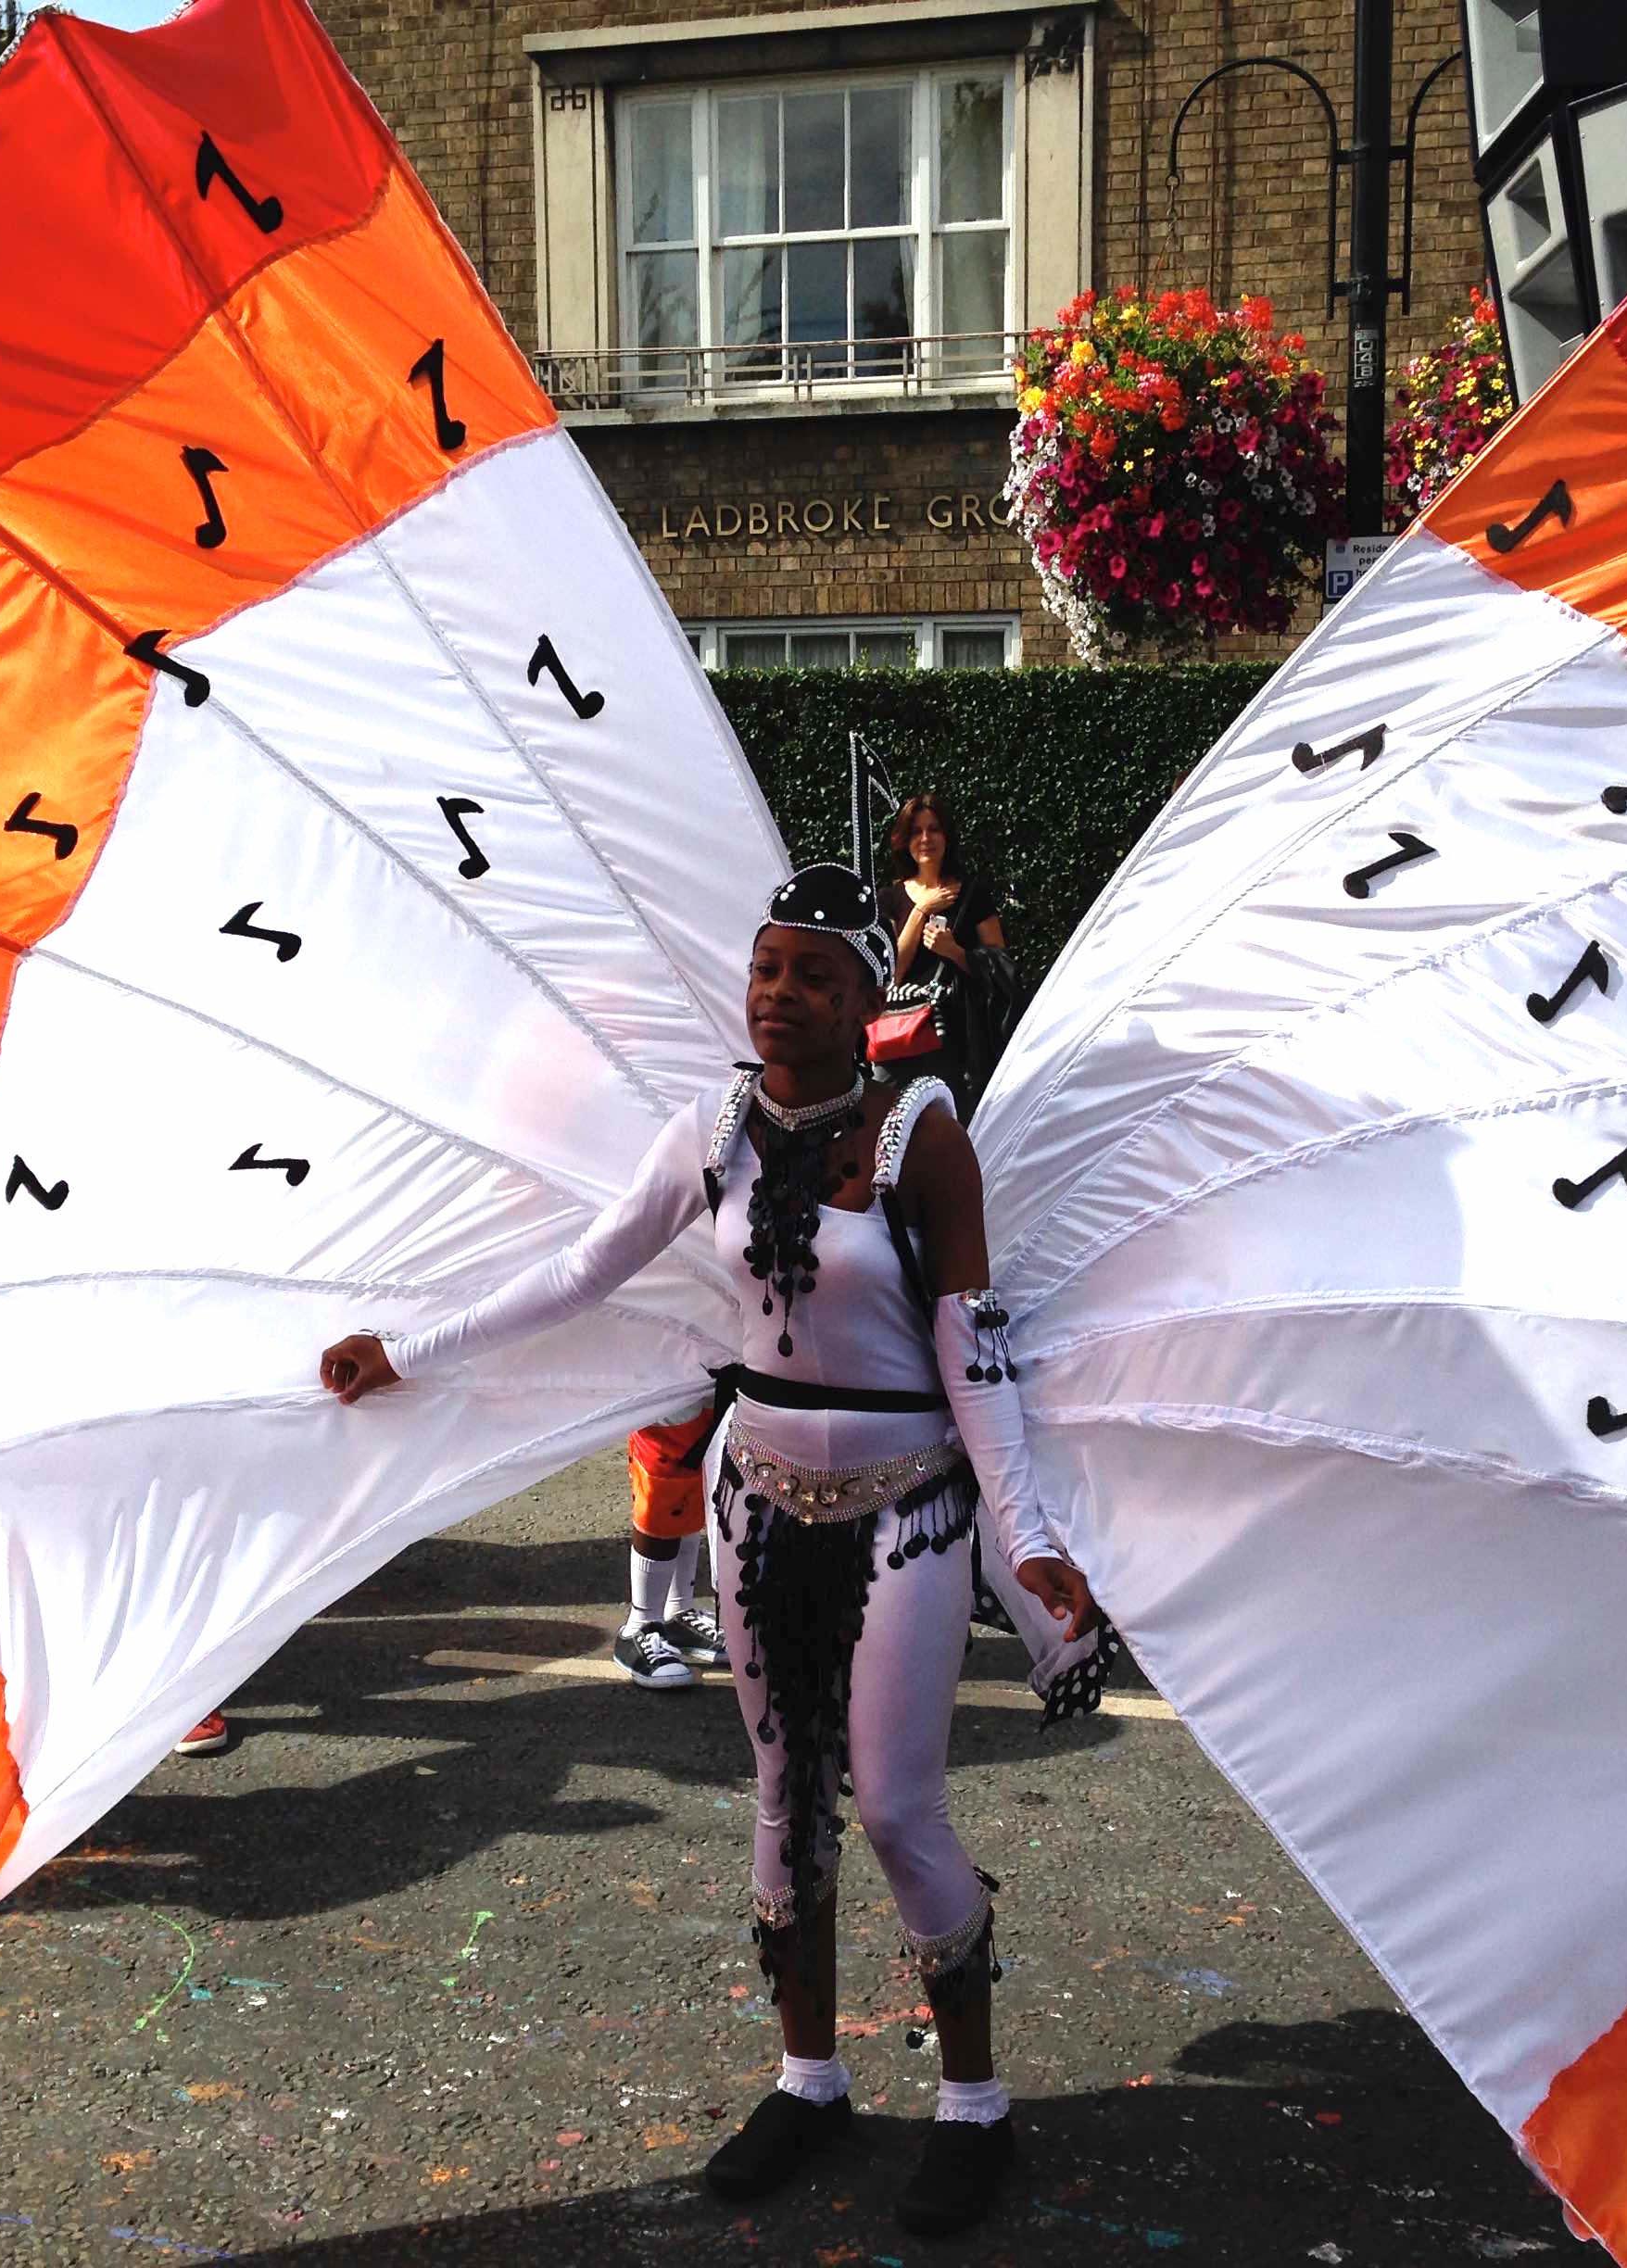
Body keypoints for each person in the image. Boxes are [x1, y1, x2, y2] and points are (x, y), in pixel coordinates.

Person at [322, 865, 1102, 2238]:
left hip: (908, 1506)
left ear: (871, 1001)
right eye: (764, 969)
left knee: (899, 1809)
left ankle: (974, 2107)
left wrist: (1026, 1540)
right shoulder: (715, 1124)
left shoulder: (923, 1130)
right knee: (781, 1794)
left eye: (812, 974)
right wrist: (409, 1347)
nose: (779, 993)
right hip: (755, 1501)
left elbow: (974, 1352)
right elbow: (581, 1271)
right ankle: (810, 2082)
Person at [876, 792, 1018, 1120]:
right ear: (904, 840)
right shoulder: (889, 898)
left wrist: (954, 953)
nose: (925, 839)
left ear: (947, 836)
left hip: (956, 1036)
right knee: (889, 1120)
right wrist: (922, 910)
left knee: (952, 1121)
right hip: (899, 1033)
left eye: (934, 829)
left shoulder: (971, 893)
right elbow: (890, 974)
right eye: (916, 831)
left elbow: (1002, 968)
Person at [613, 1406, 729, 1688]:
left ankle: (678, 1613)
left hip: (720, 1366)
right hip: (668, 1371)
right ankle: (640, 1626)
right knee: (667, 1475)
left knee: (706, 1473)